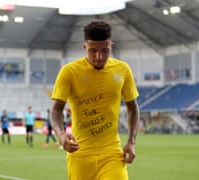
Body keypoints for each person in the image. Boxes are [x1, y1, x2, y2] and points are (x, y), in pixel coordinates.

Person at [50, 20, 140, 180]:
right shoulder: (69, 72)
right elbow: (56, 109)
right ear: (85, 47)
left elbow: (133, 107)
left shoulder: (123, 70)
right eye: (93, 51)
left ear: (111, 46)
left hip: (112, 153)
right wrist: (61, 134)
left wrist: (131, 141)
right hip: (80, 154)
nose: (99, 57)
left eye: (105, 50)